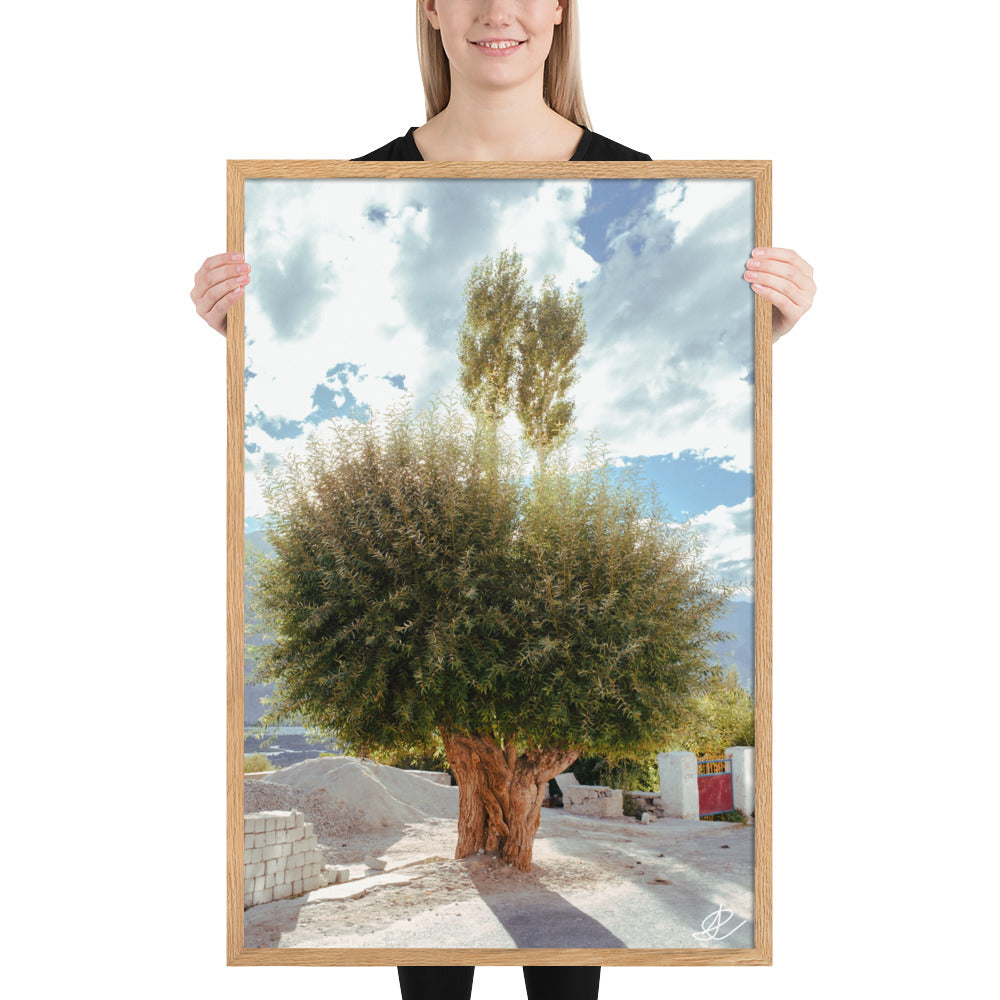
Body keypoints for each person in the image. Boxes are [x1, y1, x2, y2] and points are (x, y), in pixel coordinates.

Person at [192, 3, 815, 998]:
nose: (498, 8)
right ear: (429, 9)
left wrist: (761, 334)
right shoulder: (352, 187)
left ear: (562, 9)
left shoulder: (639, 170)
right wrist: (237, 334)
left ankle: (506, 850)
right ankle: (487, 851)